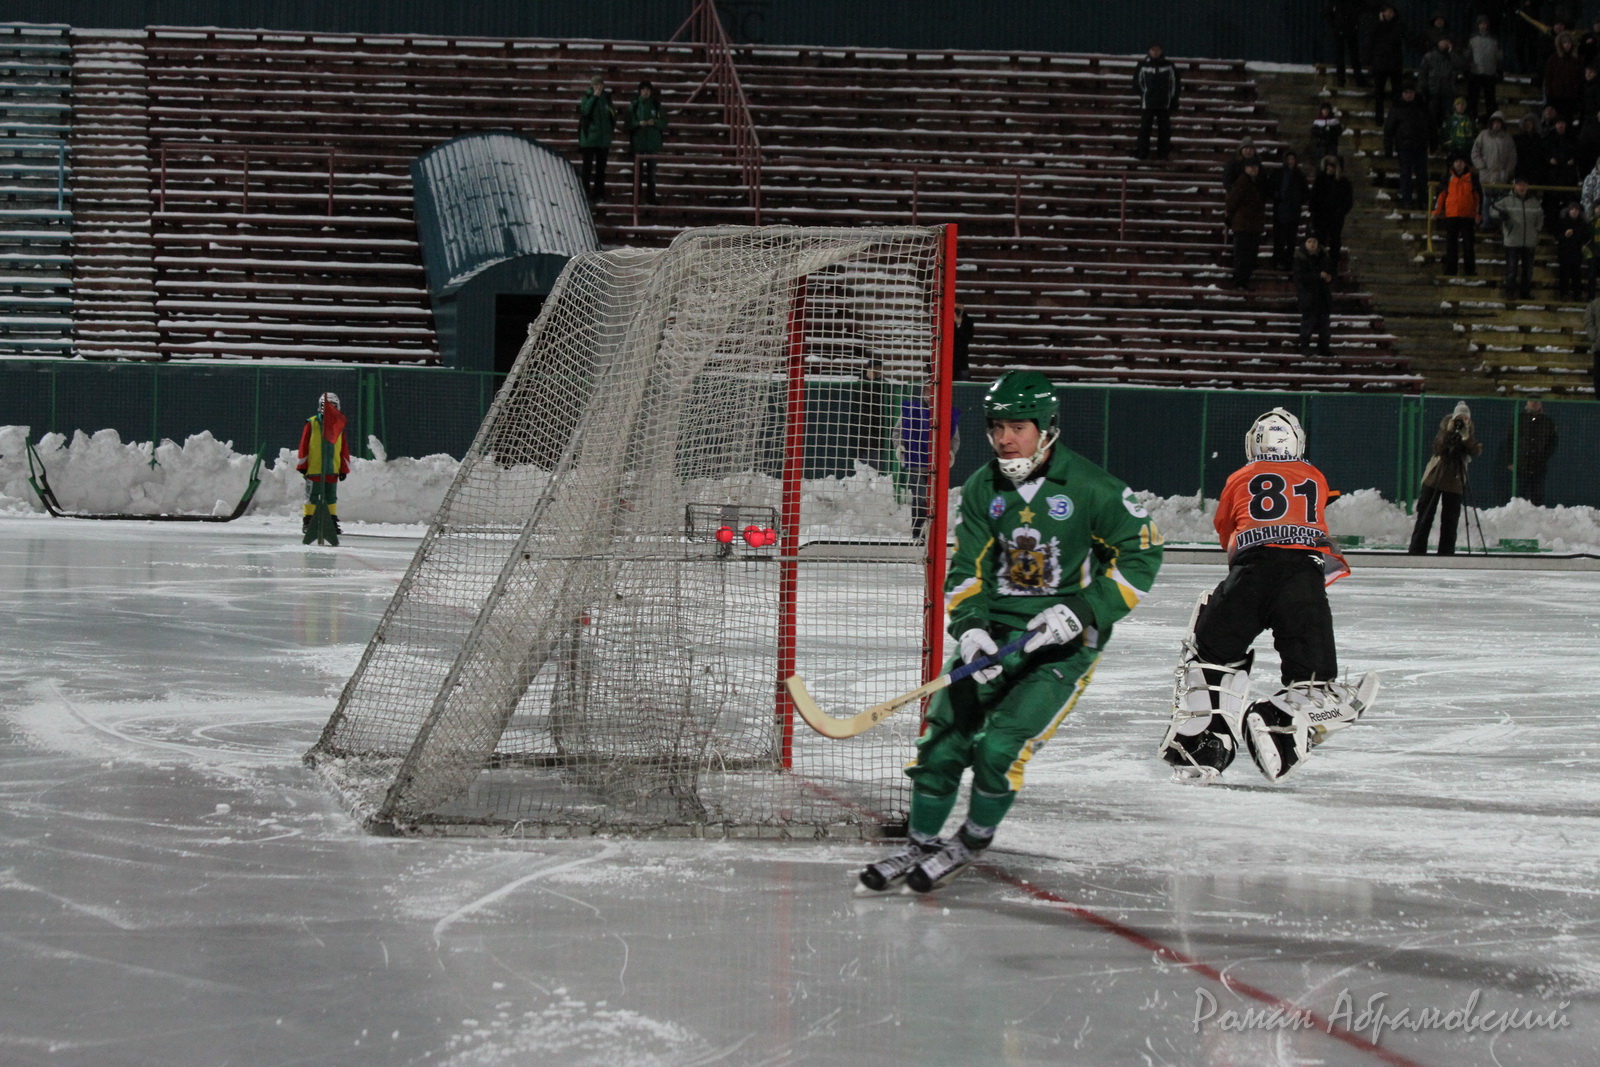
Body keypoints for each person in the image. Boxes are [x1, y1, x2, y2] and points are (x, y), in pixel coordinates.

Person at [857, 370, 1163, 893]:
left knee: (999, 749)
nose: (1004, 439)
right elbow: (966, 570)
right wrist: (971, 628)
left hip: (1062, 649)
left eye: (1017, 427)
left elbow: (1142, 556)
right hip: (996, 637)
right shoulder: (983, 487)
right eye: (997, 427)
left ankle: (972, 839)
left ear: (1047, 428)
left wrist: (1082, 610)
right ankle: (921, 844)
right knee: (942, 742)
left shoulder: (1093, 487)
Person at [1158, 408, 1378, 784]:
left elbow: (1226, 529)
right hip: (1303, 579)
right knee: (1313, 678)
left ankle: (1201, 745)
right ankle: (1279, 722)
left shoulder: (1239, 477)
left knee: (1211, 657)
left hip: (1251, 574)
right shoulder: (1314, 476)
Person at [1407, 401, 1484, 555]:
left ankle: (1446, 552)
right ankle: (1417, 550)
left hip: (1455, 479)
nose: (1462, 421)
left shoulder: (1468, 432)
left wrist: (1466, 438)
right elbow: (1438, 448)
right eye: (1459, 418)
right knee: (1425, 515)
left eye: (1466, 418)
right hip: (1435, 477)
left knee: (1450, 519)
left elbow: (1476, 451)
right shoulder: (1445, 428)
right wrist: (1448, 433)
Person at [296, 391, 350, 546]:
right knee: (311, 496)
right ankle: (308, 521)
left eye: (333, 406)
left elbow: (343, 448)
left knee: (331, 496)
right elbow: (304, 445)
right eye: (326, 406)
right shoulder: (312, 423)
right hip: (314, 468)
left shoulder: (339, 426)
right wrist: (302, 464)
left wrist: (344, 468)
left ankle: (331, 521)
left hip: (332, 468)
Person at [1492, 176, 1543, 299]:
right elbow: (1493, 210)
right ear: (1514, 186)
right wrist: (1500, 214)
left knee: (1528, 271)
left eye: (1524, 184)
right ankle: (1510, 293)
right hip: (1512, 241)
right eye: (1519, 184)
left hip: (1529, 241)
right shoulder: (1506, 200)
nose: (1522, 187)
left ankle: (1525, 293)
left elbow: (1540, 217)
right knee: (1511, 270)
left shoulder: (1534, 202)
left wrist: (1536, 230)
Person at [1384, 86, 1432, 209]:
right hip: (1404, 147)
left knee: (1422, 175)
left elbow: (1430, 125)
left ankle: (1423, 201)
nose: (1409, 95)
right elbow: (1389, 129)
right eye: (1406, 92)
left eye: (1411, 92)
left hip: (1420, 146)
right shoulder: (1397, 108)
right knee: (1406, 174)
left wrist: (1433, 142)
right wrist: (1388, 148)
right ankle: (1406, 200)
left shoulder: (1422, 107)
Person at [1432, 155, 1481, 276]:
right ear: (1453, 164)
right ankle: (1451, 270)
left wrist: (1478, 214)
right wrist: (1436, 211)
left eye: (1461, 161)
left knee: (1468, 245)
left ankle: (1470, 270)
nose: (1459, 164)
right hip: (1452, 215)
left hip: (1468, 216)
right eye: (1457, 161)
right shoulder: (1447, 178)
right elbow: (1441, 196)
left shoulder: (1473, 178)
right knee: (1451, 245)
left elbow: (1478, 198)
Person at [1132, 42, 1181, 161]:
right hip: (1148, 103)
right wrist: (1145, 94)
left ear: (1161, 51)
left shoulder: (1169, 66)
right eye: (1153, 50)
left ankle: (1163, 154)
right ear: (1149, 51)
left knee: (1164, 130)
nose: (1155, 52)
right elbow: (1137, 83)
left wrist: (1173, 99)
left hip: (1164, 103)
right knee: (1145, 129)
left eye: (1157, 50)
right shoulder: (1142, 65)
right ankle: (1142, 153)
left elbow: (1175, 84)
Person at [1505, 399, 1559, 505]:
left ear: (1541, 404)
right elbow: (1509, 440)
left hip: (1539, 466)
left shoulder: (1547, 422)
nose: (1533, 403)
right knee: (1519, 497)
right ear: (1527, 403)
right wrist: (1510, 461)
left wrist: (1543, 457)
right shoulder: (1519, 419)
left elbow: (1553, 443)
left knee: (1537, 496)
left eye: (1536, 401)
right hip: (1521, 466)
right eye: (1531, 401)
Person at [1225, 158, 1266, 290]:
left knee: (1249, 255)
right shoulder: (1242, 181)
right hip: (1243, 225)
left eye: (1255, 167)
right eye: (1250, 166)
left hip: (1253, 225)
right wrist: (1229, 217)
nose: (1253, 169)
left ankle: (1243, 281)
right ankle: (1240, 281)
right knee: (1242, 255)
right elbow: (1232, 201)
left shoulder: (1256, 182)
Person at [625, 79, 668, 205]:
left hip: (652, 143)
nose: (645, 92)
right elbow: (628, 124)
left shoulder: (656, 105)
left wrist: (654, 122)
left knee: (652, 173)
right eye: (643, 89)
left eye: (648, 90)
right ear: (639, 91)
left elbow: (664, 122)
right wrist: (638, 123)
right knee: (638, 173)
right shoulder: (634, 105)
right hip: (638, 143)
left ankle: (651, 197)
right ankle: (637, 198)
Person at [1308, 154, 1355, 269]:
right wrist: (1314, 211)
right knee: (1320, 240)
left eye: (1331, 166)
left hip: (1336, 218)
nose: (1329, 168)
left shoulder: (1343, 182)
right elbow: (1313, 197)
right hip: (1321, 217)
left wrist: (1340, 212)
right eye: (1328, 166)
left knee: (1335, 242)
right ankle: (1318, 264)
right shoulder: (1320, 180)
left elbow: (1348, 201)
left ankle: (1333, 265)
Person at [1292, 234, 1335, 356]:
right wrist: (1318, 276)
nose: (1312, 244)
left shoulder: (1324, 256)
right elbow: (1299, 277)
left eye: (1314, 242)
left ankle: (1324, 347)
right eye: (1309, 241)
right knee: (1308, 323)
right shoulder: (1300, 257)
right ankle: (1304, 346)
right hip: (1308, 295)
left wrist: (1330, 278)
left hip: (1323, 295)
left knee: (1324, 324)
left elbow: (1331, 271)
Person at [577, 74, 617, 202]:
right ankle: (585, 192)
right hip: (589, 139)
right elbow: (586, 111)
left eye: (600, 85)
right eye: (595, 85)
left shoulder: (607, 99)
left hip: (603, 140)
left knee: (601, 169)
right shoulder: (587, 97)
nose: (598, 87)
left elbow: (612, 114)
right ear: (592, 86)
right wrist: (594, 97)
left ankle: (598, 193)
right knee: (587, 168)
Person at [1269, 150, 1309, 270]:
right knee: (1279, 239)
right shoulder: (1278, 173)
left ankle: (1288, 262)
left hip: (1293, 211)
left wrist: (1298, 199)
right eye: (1289, 159)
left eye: (1293, 159)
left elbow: (1305, 193)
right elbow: (1270, 188)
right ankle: (1277, 261)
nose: (1291, 161)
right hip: (1280, 210)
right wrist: (1276, 195)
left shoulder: (1300, 176)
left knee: (1291, 240)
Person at [1369, 4, 1407, 126]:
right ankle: (1379, 119)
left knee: (1397, 94)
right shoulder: (1377, 25)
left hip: (1394, 65)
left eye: (1391, 12)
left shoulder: (1399, 25)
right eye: (1386, 11)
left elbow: (1396, 37)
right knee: (1379, 94)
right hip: (1380, 65)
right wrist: (1380, 22)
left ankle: (1396, 119)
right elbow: (1371, 38)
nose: (1389, 14)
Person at [1467, 16, 1506, 122]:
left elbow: (1499, 56)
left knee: (1490, 100)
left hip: (1490, 73)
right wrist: (1468, 68)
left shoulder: (1494, 39)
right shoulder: (1472, 38)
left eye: (1485, 24)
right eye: (1481, 24)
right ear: (1477, 25)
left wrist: (1499, 70)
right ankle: (1472, 120)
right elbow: (1468, 55)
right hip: (1475, 73)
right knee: (1473, 99)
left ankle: (1491, 120)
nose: (1483, 26)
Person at [855, 358, 889, 473]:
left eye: (878, 369)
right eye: (873, 369)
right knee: (863, 467)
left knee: (877, 465)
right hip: (863, 430)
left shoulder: (884, 385)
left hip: (878, 431)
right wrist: (869, 380)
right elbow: (861, 399)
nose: (876, 371)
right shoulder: (861, 384)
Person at [1326, 0, 1369, 88]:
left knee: (1352, 56)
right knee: (1343, 56)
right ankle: (1342, 80)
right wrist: (1335, 26)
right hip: (1342, 30)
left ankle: (1356, 80)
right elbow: (1328, 13)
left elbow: (1363, 8)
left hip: (1350, 29)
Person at [1546, 31, 1587, 121]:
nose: (1567, 45)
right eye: (1564, 43)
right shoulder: (1553, 59)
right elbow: (1549, 80)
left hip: (1573, 97)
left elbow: (1581, 79)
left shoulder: (1577, 60)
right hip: (1557, 97)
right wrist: (1549, 100)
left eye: (1569, 42)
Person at [1471, 111, 1517, 186]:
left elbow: (1512, 156)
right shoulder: (1483, 135)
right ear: (1491, 123)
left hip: (1501, 177)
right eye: (1494, 122)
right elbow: (1475, 152)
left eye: (1498, 123)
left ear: (1502, 124)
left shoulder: (1508, 138)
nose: (1496, 125)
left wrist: (1507, 171)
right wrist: (1481, 166)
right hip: (1486, 176)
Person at [1556, 200, 1588, 300]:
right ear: (1569, 210)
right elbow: (1557, 235)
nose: (1574, 211)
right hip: (1564, 251)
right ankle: (1564, 294)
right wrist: (1564, 235)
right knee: (1564, 274)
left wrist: (1574, 232)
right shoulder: (1563, 222)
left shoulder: (1582, 223)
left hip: (1576, 252)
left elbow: (1585, 236)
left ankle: (1577, 294)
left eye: (1576, 210)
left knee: (1576, 275)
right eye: (1572, 209)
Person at [1442, 96, 1478, 161]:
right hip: (1454, 147)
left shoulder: (1469, 119)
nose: (1461, 106)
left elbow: (1474, 130)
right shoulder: (1450, 119)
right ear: (1455, 106)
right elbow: (1445, 132)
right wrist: (1448, 142)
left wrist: (1473, 141)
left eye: (1463, 104)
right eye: (1458, 104)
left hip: (1468, 147)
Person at [951, 302, 977, 380]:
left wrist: (960, 323)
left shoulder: (968, 321)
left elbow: (968, 337)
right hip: (949, 355)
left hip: (961, 357)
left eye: (958, 309)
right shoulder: (946, 320)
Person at [1583, 289, 1600, 388]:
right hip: (1599, 347)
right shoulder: (1595, 304)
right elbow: (1588, 321)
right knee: (1598, 378)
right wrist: (1595, 337)